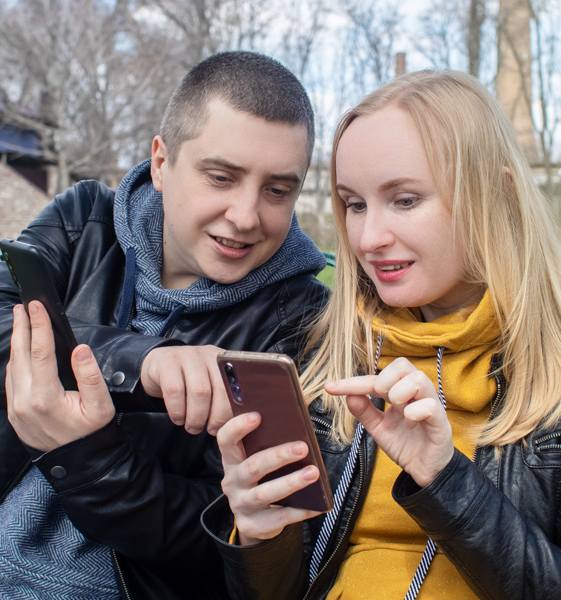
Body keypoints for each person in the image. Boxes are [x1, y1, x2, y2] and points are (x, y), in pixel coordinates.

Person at [0, 51, 329, 599]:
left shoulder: (301, 324)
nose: (247, 216)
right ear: (161, 162)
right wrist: (142, 362)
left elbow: (227, 544)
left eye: (278, 190)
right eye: (221, 177)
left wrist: (86, 454)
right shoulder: (84, 221)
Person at [204, 69, 561, 599]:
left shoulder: (549, 371)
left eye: (406, 199)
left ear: (500, 195)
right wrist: (259, 533)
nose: (369, 239)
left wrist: (444, 480)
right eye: (354, 204)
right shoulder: (318, 363)